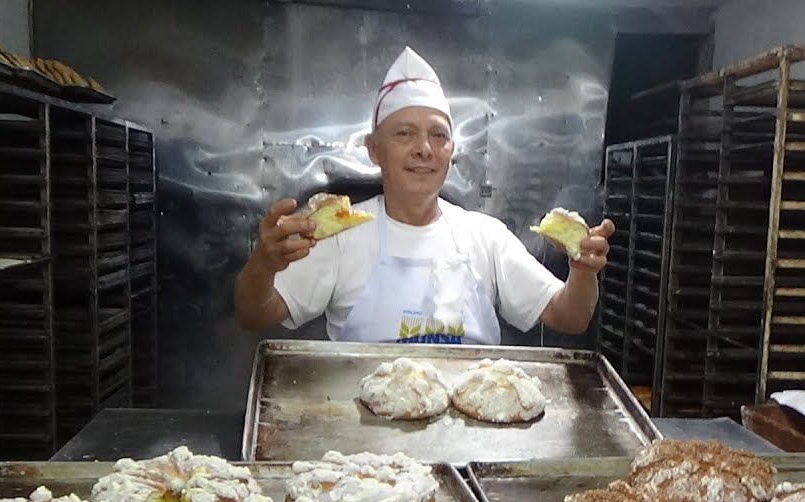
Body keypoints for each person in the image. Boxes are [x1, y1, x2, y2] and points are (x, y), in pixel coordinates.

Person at [233, 46, 612, 345]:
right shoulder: (340, 238)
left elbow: (570, 318)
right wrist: (264, 264)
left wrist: (582, 272)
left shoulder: (486, 236)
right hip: (364, 427)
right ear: (374, 149)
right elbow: (253, 315)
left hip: (470, 424)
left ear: (450, 150)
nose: (424, 149)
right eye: (404, 134)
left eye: (438, 135)